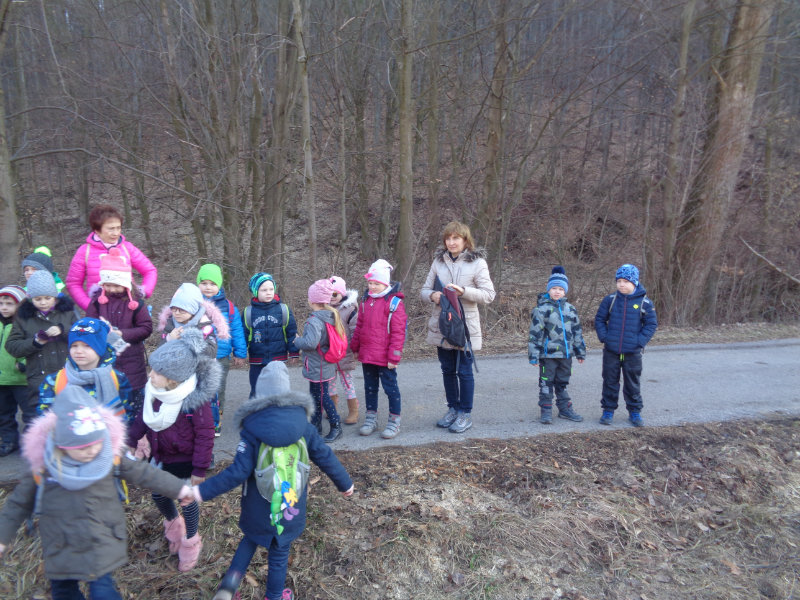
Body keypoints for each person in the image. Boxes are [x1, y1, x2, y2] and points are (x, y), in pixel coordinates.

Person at [0, 386, 192, 600]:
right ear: (62, 444)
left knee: (103, 592)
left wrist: (179, 489)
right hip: (60, 545)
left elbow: (145, 474)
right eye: (82, 448)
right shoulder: (44, 467)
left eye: (96, 444)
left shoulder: (107, 458)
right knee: (64, 592)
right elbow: (18, 503)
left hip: (99, 542)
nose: (91, 451)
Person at [188, 361, 354, 600]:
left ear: (259, 394)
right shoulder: (304, 426)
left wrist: (200, 492)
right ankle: (274, 596)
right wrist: (345, 483)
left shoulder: (252, 429)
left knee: (249, 542)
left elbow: (236, 472)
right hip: (290, 507)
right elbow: (325, 456)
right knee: (279, 552)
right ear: (287, 392)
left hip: (257, 509)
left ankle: (228, 589)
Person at [127, 328, 221, 571]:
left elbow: (205, 434)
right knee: (159, 495)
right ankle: (173, 523)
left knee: (187, 500)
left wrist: (199, 469)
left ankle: (191, 540)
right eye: (152, 369)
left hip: (186, 462)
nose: (151, 375)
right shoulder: (154, 393)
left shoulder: (194, 402)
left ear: (173, 379)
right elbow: (143, 420)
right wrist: (129, 440)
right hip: (161, 457)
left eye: (157, 372)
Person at [420, 221, 496, 434]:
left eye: (456, 238)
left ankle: (465, 413)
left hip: (465, 327)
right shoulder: (438, 262)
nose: (452, 242)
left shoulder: (477, 263)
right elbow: (424, 290)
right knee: (447, 370)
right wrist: (433, 296)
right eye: (448, 238)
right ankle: (452, 409)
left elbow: (489, 295)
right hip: (442, 324)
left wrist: (464, 291)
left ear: (465, 240)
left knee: (464, 371)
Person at [86, 247, 153, 420]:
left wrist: (123, 333)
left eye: (116, 285)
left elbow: (146, 328)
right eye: (108, 285)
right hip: (104, 361)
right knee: (110, 407)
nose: (112, 289)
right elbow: (89, 326)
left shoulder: (136, 303)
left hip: (132, 361)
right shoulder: (97, 303)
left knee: (135, 406)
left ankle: (136, 433)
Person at [5, 271, 77, 429]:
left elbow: (81, 335)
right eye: (38, 299)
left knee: (70, 419)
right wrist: (36, 342)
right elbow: (12, 346)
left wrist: (62, 330)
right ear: (31, 299)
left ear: (55, 297)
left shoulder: (68, 313)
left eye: (47, 298)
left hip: (67, 375)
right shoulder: (23, 317)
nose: (43, 303)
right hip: (38, 377)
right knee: (40, 422)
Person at [594, 263, 658, 427]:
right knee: (610, 381)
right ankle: (608, 410)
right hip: (611, 351)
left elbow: (651, 325)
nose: (621, 284)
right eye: (619, 281)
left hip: (633, 353)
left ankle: (635, 412)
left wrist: (639, 341)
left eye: (626, 281)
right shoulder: (610, 300)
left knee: (632, 383)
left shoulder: (645, 303)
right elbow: (599, 320)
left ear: (634, 282)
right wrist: (605, 337)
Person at [350, 260, 407, 440]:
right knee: (370, 388)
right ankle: (371, 419)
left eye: (377, 283)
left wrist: (394, 357)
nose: (372, 287)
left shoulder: (394, 303)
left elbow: (398, 333)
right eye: (370, 283)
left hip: (385, 357)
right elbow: (359, 326)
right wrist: (355, 347)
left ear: (385, 284)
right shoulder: (365, 301)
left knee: (391, 389)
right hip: (367, 354)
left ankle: (394, 421)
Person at [38, 318, 132, 425]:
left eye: (87, 346)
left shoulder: (117, 378)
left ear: (100, 348)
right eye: (74, 346)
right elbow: (46, 418)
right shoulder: (54, 381)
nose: (79, 351)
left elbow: (126, 414)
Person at [65, 204, 158, 311]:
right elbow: (73, 283)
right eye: (111, 229)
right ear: (97, 230)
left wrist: (143, 292)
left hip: (128, 309)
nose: (116, 233)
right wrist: (90, 306)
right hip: (99, 310)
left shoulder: (127, 248)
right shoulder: (84, 251)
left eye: (118, 228)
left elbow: (150, 270)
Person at [528, 266, 586, 424]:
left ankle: (565, 409)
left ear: (565, 291)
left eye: (560, 289)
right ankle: (546, 410)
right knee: (546, 382)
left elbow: (577, 332)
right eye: (554, 288)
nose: (557, 292)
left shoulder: (571, 309)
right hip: (548, 355)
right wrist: (534, 355)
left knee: (562, 382)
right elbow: (535, 334)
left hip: (566, 355)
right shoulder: (541, 310)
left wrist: (580, 352)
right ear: (549, 289)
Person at [293, 279, 347, 443]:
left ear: (312, 301)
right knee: (316, 396)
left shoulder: (315, 320)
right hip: (325, 364)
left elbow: (310, 343)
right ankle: (315, 426)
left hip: (318, 366)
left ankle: (336, 426)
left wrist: (297, 341)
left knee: (323, 397)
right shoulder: (331, 315)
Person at [197, 263, 248, 434]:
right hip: (197, 356)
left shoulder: (228, 306)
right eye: (204, 283)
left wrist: (240, 353)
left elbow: (237, 330)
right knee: (197, 388)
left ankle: (215, 422)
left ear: (219, 285)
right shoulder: (192, 302)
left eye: (213, 283)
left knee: (218, 390)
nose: (208, 287)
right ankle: (198, 422)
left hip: (221, 357)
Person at [243, 273, 299, 399]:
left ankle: (278, 410)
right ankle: (255, 410)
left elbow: (291, 333)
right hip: (257, 359)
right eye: (264, 290)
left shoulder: (283, 310)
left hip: (278, 358)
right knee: (256, 390)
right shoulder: (248, 312)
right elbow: (244, 335)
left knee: (279, 389)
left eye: (271, 289)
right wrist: (240, 354)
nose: (268, 292)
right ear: (256, 292)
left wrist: (294, 352)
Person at [157, 282, 230, 357]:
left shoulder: (204, 326)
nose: (177, 313)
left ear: (193, 310)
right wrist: (169, 339)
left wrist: (193, 341)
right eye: (173, 309)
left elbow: (211, 352)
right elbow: (159, 352)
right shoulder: (169, 324)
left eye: (182, 310)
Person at [0, 285, 28, 456]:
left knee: (30, 413)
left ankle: (32, 444)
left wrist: (24, 363)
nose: (4, 307)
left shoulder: (25, 324)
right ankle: (9, 441)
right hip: (1, 379)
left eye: (9, 304)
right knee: (4, 414)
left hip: (21, 379)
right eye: (1, 303)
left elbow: (31, 346)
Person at [328, 275, 360, 425]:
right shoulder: (324, 309)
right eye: (329, 293)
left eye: (335, 294)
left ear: (342, 293)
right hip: (329, 353)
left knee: (347, 382)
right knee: (330, 382)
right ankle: (332, 408)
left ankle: (353, 410)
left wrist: (354, 349)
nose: (332, 297)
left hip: (344, 353)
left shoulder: (350, 310)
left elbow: (355, 331)